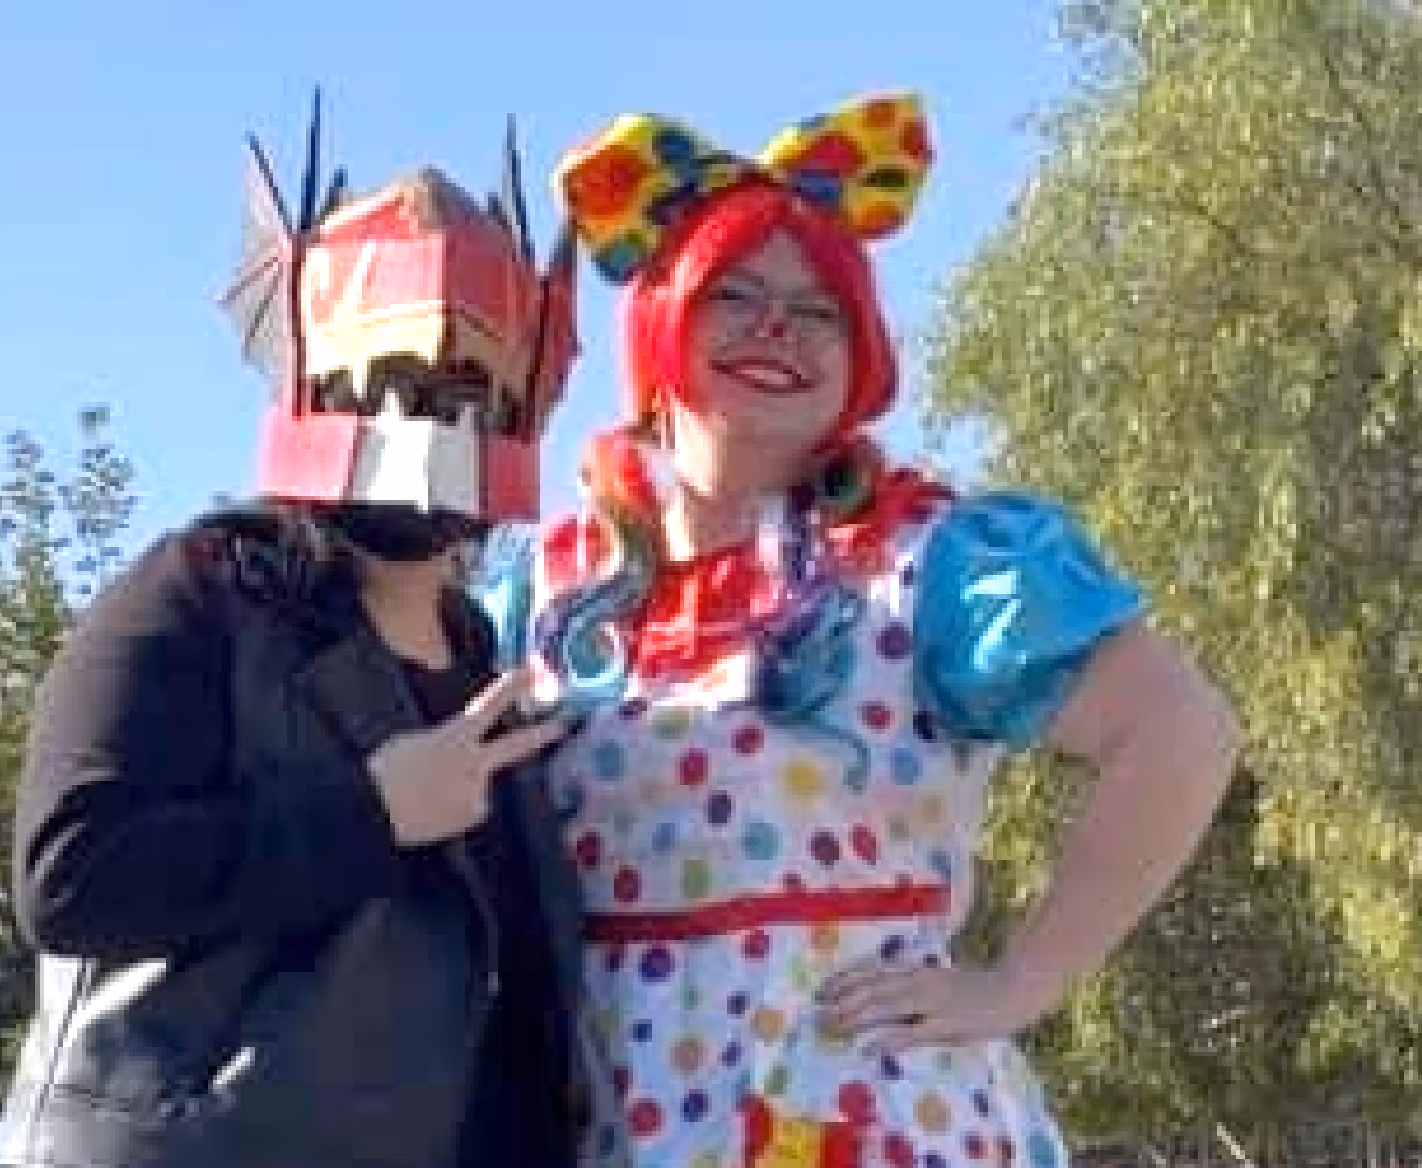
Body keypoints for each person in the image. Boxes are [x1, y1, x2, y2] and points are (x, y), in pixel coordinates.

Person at [474, 92, 1240, 1168]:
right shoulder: (550, 593)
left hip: (868, 1121)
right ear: (659, 328)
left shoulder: (921, 564)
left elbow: (1182, 731)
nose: (776, 328)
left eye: (817, 308)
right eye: (731, 295)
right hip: (609, 1120)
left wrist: (1021, 978)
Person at [0, 98, 590, 1167]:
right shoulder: (204, 590)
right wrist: (374, 811)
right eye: (390, 383)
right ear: (313, 374)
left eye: (467, 396)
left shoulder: (494, 671)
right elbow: (72, 874)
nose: (425, 428)